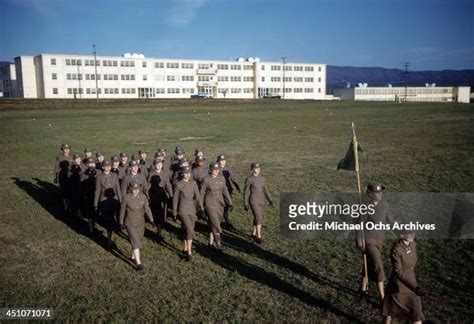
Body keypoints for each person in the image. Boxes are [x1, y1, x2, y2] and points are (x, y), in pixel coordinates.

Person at [357, 182, 393, 300]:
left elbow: (390, 221)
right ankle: (383, 298)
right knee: (378, 266)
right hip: (368, 241)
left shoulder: (384, 204)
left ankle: (362, 288)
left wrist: (402, 233)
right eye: (376, 193)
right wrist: (359, 240)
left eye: (380, 192)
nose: (379, 194)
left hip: (379, 241)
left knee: (369, 263)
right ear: (370, 194)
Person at [383, 233, 425, 323]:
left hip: (412, 283)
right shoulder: (396, 250)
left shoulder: (413, 244)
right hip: (399, 287)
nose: (412, 235)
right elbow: (398, 271)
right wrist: (414, 287)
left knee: (417, 313)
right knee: (390, 311)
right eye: (409, 233)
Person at [119, 182, 154, 271]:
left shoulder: (143, 197)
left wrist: (151, 220)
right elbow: (122, 211)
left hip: (140, 223)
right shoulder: (126, 198)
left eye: (137, 189)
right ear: (130, 189)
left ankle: (133, 256)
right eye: (133, 189)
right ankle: (138, 263)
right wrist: (121, 222)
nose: (135, 191)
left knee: (138, 239)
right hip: (130, 223)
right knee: (135, 241)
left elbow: (147, 209)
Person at [200, 162, 233, 250]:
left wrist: (230, 202)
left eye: (218, 170)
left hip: (220, 204)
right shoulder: (206, 179)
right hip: (210, 204)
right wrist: (201, 207)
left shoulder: (222, 178)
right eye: (214, 170)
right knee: (216, 223)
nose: (216, 171)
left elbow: (225, 191)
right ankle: (219, 244)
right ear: (210, 170)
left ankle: (211, 243)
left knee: (214, 223)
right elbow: (201, 194)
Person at [173, 166, 203, 261]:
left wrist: (201, 208)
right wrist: (174, 212)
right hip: (183, 210)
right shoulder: (179, 185)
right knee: (189, 229)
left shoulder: (193, 183)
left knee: (188, 231)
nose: (187, 175)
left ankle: (187, 250)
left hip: (192, 210)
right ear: (182, 174)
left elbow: (198, 196)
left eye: (189, 173)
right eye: (185, 173)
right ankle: (189, 252)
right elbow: (175, 199)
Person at [94, 160, 122, 250]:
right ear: (103, 167)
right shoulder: (99, 177)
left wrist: (120, 200)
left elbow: (118, 188)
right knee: (108, 219)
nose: (108, 168)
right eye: (106, 166)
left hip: (114, 199)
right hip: (104, 200)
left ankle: (118, 228)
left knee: (117, 216)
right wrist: (96, 203)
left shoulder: (114, 175)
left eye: (109, 166)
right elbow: (98, 190)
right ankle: (109, 239)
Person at [244, 162, 273, 244]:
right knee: (258, 217)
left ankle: (253, 234)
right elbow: (246, 192)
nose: (257, 170)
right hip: (253, 201)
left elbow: (265, 190)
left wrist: (270, 200)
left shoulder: (262, 179)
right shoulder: (249, 179)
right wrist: (245, 203)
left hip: (261, 201)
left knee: (257, 217)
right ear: (252, 169)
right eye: (256, 168)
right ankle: (258, 236)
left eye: (259, 168)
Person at [147, 159, 173, 241]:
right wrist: (148, 197)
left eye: (160, 164)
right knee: (155, 212)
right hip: (154, 196)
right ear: (154, 165)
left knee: (161, 214)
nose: (159, 166)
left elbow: (168, 184)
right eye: (157, 165)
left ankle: (159, 230)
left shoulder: (164, 173)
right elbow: (147, 186)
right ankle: (155, 224)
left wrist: (171, 194)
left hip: (162, 194)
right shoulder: (151, 174)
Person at [217, 154, 241, 229]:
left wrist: (237, 186)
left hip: (228, 191)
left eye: (223, 161)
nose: (222, 162)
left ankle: (226, 221)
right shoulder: (215, 169)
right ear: (218, 161)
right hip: (219, 192)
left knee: (226, 206)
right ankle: (220, 222)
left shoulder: (228, 169)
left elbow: (233, 178)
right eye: (220, 161)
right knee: (220, 206)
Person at [81, 157, 98, 232]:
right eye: (90, 163)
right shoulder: (83, 174)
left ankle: (94, 222)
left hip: (96, 195)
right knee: (89, 212)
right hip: (88, 196)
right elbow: (81, 186)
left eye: (93, 163)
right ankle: (91, 227)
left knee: (96, 211)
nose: (91, 165)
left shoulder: (99, 172)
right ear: (87, 164)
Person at [54, 143, 72, 211]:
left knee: (70, 191)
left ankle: (69, 204)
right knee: (64, 191)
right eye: (65, 149)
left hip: (70, 177)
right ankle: (65, 205)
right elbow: (56, 168)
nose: (66, 150)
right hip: (63, 177)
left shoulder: (72, 157)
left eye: (68, 149)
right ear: (62, 150)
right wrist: (55, 177)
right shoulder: (59, 157)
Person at [68, 153, 84, 218]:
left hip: (82, 186)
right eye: (76, 159)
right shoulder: (71, 168)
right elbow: (69, 177)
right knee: (77, 201)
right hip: (75, 186)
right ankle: (79, 214)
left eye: (79, 159)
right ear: (74, 160)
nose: (78, 160)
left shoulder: (82, 166)